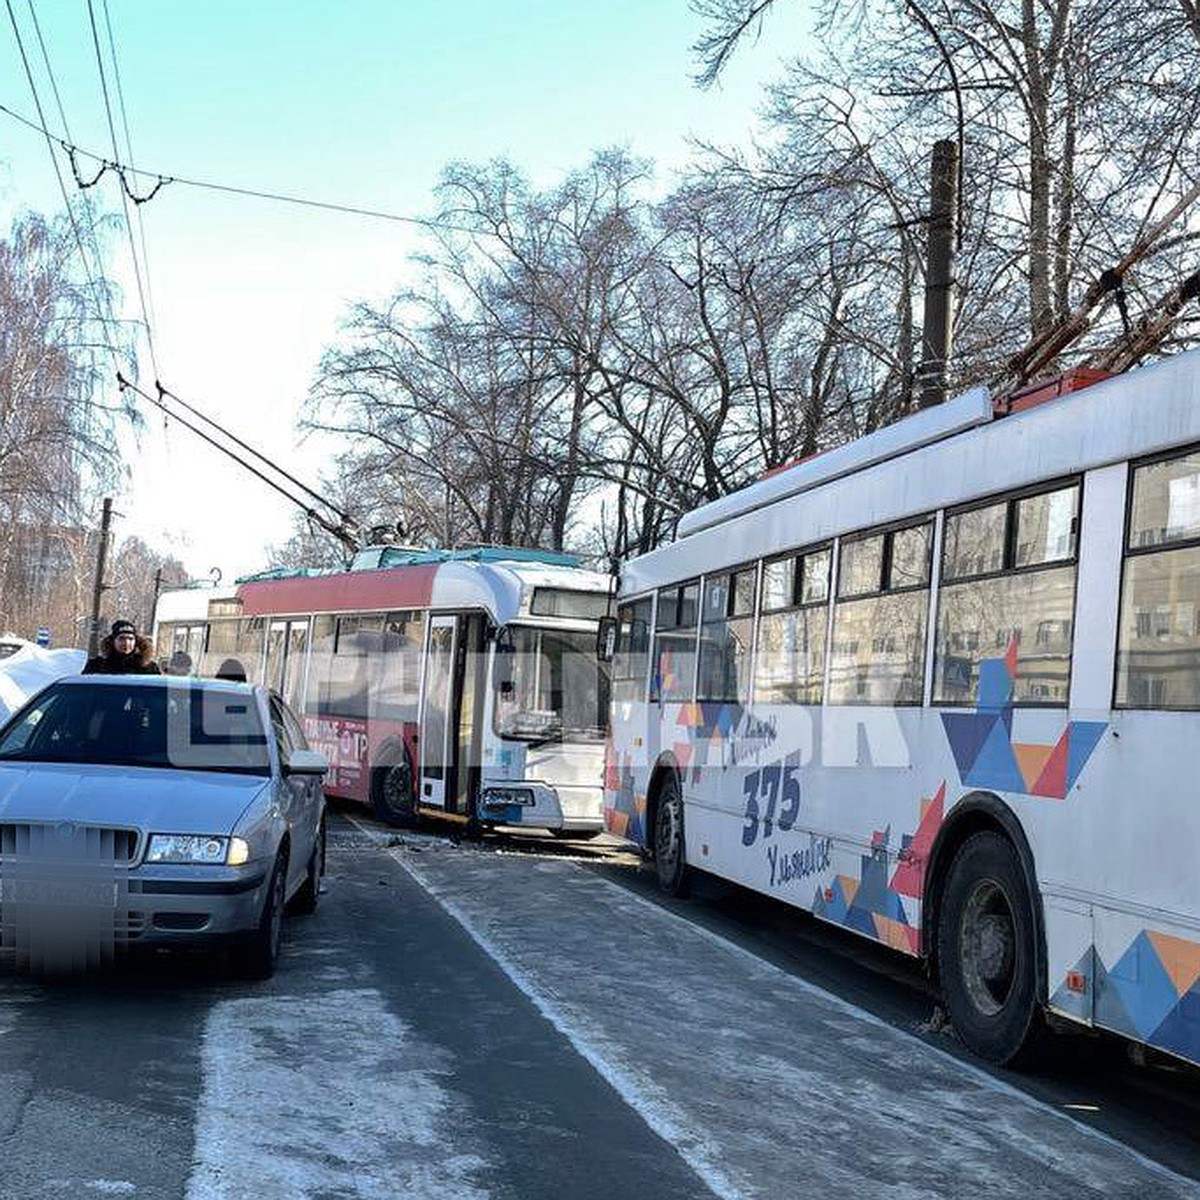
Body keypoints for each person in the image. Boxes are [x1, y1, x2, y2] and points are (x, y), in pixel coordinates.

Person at [82, 620, 162, 676]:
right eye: (121, 638)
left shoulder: (149, 668)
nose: (126, 643)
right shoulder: (97, 666)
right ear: (113, 641)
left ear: (136, 642)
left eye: (130, 639)